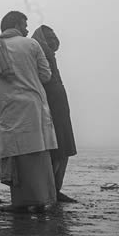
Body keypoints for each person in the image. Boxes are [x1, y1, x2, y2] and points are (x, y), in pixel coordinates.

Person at [0, 12, 57, 213]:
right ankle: (40, 201)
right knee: (37, 153)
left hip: (8, 107)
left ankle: (20, 203)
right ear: (15, 24)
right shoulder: (31, 45)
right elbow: (46, 75)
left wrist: (5, 88)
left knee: (17, 155)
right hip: (33, 106)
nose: (26, 29)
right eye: (25, 25)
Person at [31, 25, 77, 203]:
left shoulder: (47, 54)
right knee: (58, 149)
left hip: (59, 105)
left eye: (53, 37)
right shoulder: (40, 53)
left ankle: (54, 190)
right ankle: (52, 191)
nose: (53, 41)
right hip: (52, 105)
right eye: (48, 38)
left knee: (62, 148)